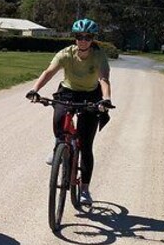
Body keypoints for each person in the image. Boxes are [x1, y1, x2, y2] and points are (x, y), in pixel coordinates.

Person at [25, 18, 112, 206]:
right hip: (68, 92)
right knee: (58, 116)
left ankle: (85, 190)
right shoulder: (65, 54)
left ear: (92, 39)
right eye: (80, 36)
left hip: (91, 95)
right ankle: (59, 145)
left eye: (87, 37)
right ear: (75, 38)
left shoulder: (98, 56)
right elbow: (49, 71)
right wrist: (35, 90)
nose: (83, 40)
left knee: (86, 145)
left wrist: (106, 100)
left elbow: (104, 78)